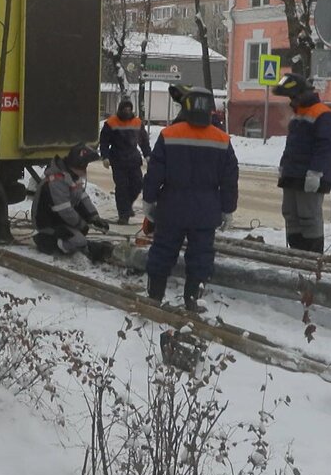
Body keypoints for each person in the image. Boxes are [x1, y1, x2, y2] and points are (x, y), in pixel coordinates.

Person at [141, 86, 239, 312]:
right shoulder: (222, 139)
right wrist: (227, 209)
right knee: (201, 256)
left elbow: (155, 172)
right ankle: (192, 299)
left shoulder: (169, 134)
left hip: (171, 207)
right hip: (206, 211)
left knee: (163, 252)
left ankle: (155, 296)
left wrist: (149, 199)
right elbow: (229, 178)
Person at [272, 73, 331, 253]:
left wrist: (316, 172)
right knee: (291, 215)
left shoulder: (323, 115)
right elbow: (292, 145)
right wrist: (283, 165)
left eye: (293, 97)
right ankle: (295, 253)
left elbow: (325, 147)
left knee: (308, 217)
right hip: (293, 174)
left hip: (310, 176)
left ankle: (312, 257)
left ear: (302, 94)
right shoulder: (299, 114)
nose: (291, 102)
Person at [33, 143, 111, 257]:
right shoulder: (57, 181)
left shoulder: (72, 176)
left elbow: (83, 197)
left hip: (60, 220)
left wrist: (94, 217)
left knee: (80, 235)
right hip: (48, 223)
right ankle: (45, 241)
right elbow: (65, 210)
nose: (86, 169)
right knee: (78, 241)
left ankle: (70, 240)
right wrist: (81, 224)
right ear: (79, 164)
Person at [98, 99, 151, 224]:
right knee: (122, 188)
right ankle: (123, 215)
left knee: (137, 184)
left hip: (133, 159)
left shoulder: (137, 122)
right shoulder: (111, 123)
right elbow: (104, 141)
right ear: (120, 110)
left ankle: (127, 206)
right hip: (118, 159)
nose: (127, 112)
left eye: (129, 109)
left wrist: (148, 155)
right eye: (125, 109)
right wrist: (105, 157)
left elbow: (144, 141)